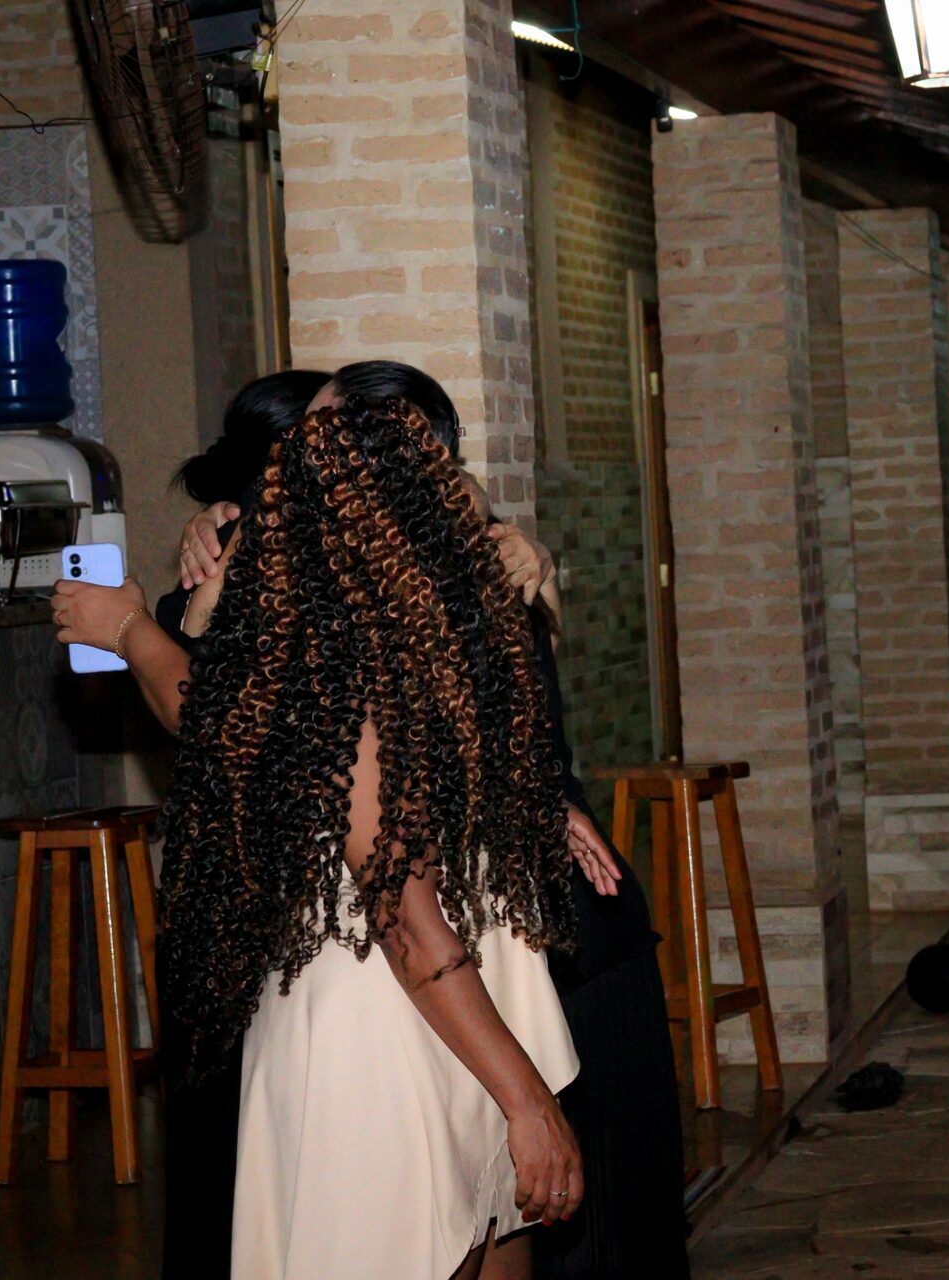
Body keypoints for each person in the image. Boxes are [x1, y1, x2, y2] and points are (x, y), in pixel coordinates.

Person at [55, 364, 689, 1280]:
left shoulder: (378, 641)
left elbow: (412, 914)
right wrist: (525, 1097)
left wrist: (523, 1101)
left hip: (432, 1016)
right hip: (406, 1028)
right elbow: (237, 728)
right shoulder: (380, 642)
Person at [158, 391, 579, 1279]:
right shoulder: (340, 671)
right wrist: (527, 1100)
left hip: (462, 1019)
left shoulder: (426, 651)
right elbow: (407, 924)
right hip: (375, 1041)